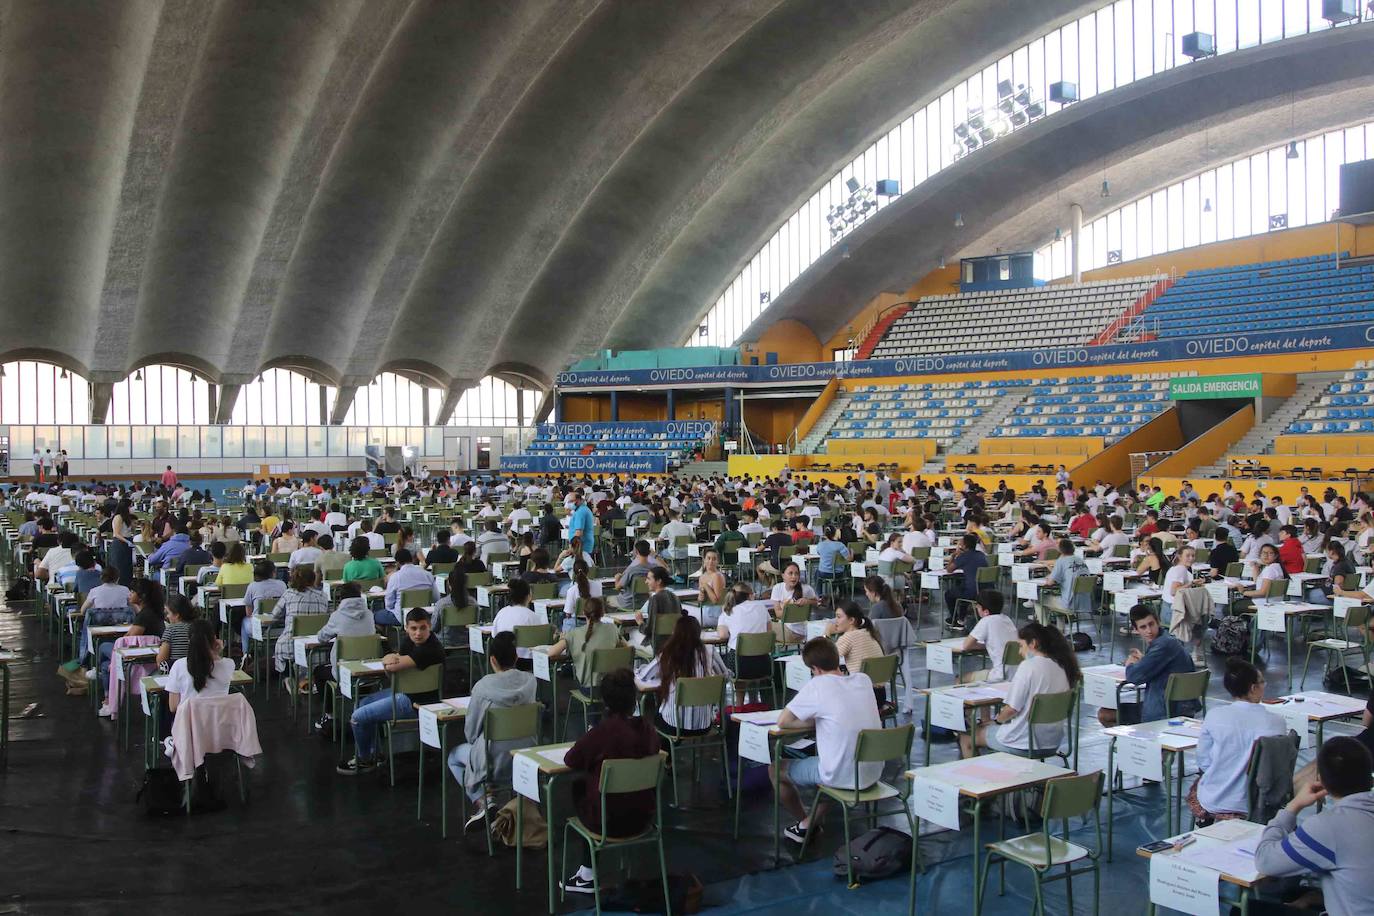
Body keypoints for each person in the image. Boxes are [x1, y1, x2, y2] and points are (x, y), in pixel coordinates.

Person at [560, 668, 661, 894]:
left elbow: (571, 759)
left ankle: (587, 873)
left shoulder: (601, 733)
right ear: (634, 699)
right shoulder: (649, 731)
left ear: (604, 700)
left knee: (580, 786)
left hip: (607, 821)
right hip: (644, 817)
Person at [773, 637, 883, 844]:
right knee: (833, 762)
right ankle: (808, 823)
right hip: (872, 772)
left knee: (775, 770)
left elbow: (784, 722)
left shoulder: (818, 685)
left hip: (842, 774)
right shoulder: (863, 680)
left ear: (815, 669)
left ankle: (805, 825)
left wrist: (814, 724)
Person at [1254, 736, 1374, 916]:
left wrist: (1293, 806)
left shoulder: (1328, 826)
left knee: (1250, 908)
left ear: (1321, 781)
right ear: (1370, 778)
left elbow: (1265, 861)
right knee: (1294, 892)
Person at [448, 631, 538, 829]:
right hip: (526, 757)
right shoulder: (531, 681)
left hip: (492, 759)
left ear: (492, 660)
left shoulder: (482, 687)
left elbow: (471, 733)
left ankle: (483, 801)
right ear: (516, 657)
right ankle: (499, 805)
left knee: (454, 757)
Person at [339, 606, 445, 774]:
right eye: (414, 628)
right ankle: (375, 754)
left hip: (417, 702)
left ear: (430, 627)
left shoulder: (431, 649)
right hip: (404, 691)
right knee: (363, 702)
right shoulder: (408, 642)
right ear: (406, 628)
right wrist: (391, 661)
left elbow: (392, 666)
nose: (418, 633)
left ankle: (365, 758)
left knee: (358, 717)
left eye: (423, 628)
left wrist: (389, 659)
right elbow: (392, 672)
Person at [1188, 658, 1287, 825]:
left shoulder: (1214, 715)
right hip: (1259, 802)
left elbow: (1203, 761)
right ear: (1253, 688)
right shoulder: (1277, 722)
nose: (1265, 685)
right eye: (1263, 682)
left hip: (1215, 800)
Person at [960, 621, 1079, 758]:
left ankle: (981, 778)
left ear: (1033, 643)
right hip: (1052, 742)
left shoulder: (1028, 667)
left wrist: (996, 721)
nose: (1020, 651)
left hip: (1023, 742)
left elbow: (1012, 709)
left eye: (1021, 646)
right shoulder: (1062, 667)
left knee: (967, 737)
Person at [1097, 605, 1197, 727]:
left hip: (1164, 711)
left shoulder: (1162, 645)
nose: (1149, 631)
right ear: (1136, 629)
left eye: (1151, 624)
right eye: (1143, 627)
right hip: (1183, 707)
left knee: (1104, 714)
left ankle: (1132, 744)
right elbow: (1161, 666)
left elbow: (1134, 677)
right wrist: (1145, 660)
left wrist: (1130, 664)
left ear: (1158, 622)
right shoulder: (1170, 640)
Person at [637, 614, 729, 736]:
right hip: (704, 725)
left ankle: (667, 753)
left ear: (675, 632)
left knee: (652, 716)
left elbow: (644, 676)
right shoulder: (710, 651)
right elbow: (725, 677)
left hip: (674, 726)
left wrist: (641, 669)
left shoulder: (668, 652)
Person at [310, 582, 378, 728]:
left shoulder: (337, 616)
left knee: (319, 672)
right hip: (367, 670)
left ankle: (329, 716)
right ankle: (362, 708)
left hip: (343, 671)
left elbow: (322, 637)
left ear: (341, 599)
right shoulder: (369, 614)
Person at [547, 596, 623, 686]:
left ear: (583, 613)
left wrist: (562, 639)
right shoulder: (613, 629)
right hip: (613, 687)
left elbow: (551, 653)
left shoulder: (573, 634)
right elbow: (626, 648)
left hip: (589, 689)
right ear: (603, 613)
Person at [165, 618, 235, 713]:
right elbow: (214, 661)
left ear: (189, 641)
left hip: (188, 725)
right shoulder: (229, 665)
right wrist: (216, 652)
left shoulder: (178, 665)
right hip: (218, 724)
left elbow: (173, 707)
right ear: (215, 640)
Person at [272, 566, 330, 673]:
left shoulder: (289, 593)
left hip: (291, 646)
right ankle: (303, 681)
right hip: (317, 647)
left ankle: (291, 678)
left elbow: (274, 615)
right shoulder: (323, 596)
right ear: (313, 580)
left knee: (281, 642)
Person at [962, 589, 1019, 682]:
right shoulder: (1007, 619)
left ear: (986, 611)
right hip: (1017, 674)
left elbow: (966, 646)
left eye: (978, 606)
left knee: (961, 678)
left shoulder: (986, 621)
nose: (976, 608)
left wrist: (983, 646)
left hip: (1000, 675)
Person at [239, 559, 287, 658]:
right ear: (273, 573)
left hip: (260, 629)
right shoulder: (282, 584)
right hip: (281, 627)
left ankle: (246, 655)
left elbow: (249, 613)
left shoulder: (252, 586)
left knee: (244, 621)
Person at [380, 548, 435, 627]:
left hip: (401, 617)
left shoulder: (395, 577)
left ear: (397, 563)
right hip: (424, 614)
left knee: (376, 615)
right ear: (412, 559)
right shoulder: (427, 574)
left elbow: (389, 603)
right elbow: (436, 598)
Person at [491, 578, 541, 663]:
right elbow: (540, 640)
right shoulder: (533, 616)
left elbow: (494, 635)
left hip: (505, 659)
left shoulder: (502, 613)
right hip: (530, 661)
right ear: (528, 596)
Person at [825, 601, 884, 672]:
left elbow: (825, 658)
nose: (835, 621)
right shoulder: (867, 632)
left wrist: (827, 633)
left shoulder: (848, 637)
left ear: (851, 620)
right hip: (879, 680)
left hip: (861, 681)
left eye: (838, 617)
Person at [943, 533, 988, 627]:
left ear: (964, 545)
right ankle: (961, 618)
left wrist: (953, 556)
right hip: (986, 589)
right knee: (962, 588)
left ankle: (954, 620)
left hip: (973, 591)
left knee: (949, 594)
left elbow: (949, 569)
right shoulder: (981, 554)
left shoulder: (963, 556)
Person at [634, 566, 681, 646]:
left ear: (658, 581)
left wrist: (640, 622)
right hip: (674, 642)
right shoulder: (675, 597)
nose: (646, 582)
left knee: (631, 635)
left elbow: (649, 630)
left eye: (649, 579)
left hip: (658, 644)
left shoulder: (655, 599)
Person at [157, 594, 199, 671]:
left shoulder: (171, 629)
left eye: (168, 613)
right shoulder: (199, 627)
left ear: (177, 615)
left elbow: (161, 661)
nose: (167, 617)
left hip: (176, 672)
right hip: (198, 671)